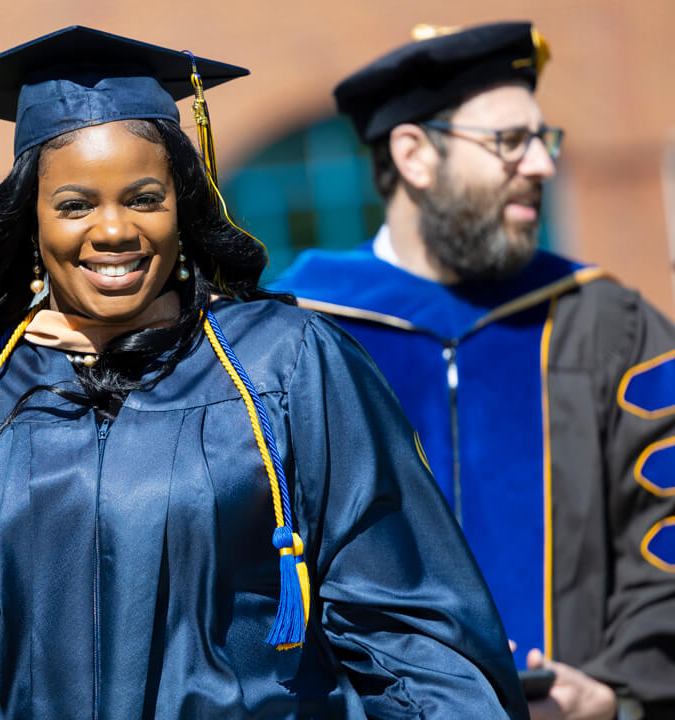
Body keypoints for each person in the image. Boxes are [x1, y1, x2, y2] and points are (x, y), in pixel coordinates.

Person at [0, 26, 527, 718]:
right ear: (29, 222)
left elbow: (415, 632)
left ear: (183, 207)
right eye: (75, 205)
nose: (114, 230)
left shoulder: (283, 364)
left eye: (144, 198)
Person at [275, 21, 675, 720]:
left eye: (542, 139)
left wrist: (620, 692)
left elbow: (664, 526)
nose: (543, 165)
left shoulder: (608, 326)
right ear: (414, 155)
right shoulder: (300, 334)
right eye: (508, 142)